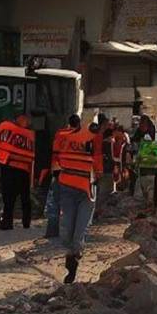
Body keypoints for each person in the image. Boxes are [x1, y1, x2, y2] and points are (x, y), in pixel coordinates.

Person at [55, 114, 98, 283]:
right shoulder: (64, 137)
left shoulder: (91, 141)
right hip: (71, 187)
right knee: (70, 227)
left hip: (85, 189)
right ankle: (72, 257)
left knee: (75, 229)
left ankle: (73, 258)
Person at [0, 112, 35, 230]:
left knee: (14, 197)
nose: (27, 122)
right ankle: (12, 222)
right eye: (26, 120)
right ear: (20, 118)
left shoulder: (26, 133)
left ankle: (18, 222)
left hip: (14, 169)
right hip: (13, 168)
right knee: (13, 198)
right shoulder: (28, 134)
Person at [42, 119, 73, 240]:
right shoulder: (80, 138)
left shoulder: (60, 136)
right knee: (69, 205)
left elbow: (54, 155)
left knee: (54, 203)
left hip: (59, 173)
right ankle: (68, 233)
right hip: (73, 176)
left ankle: (52, 231)